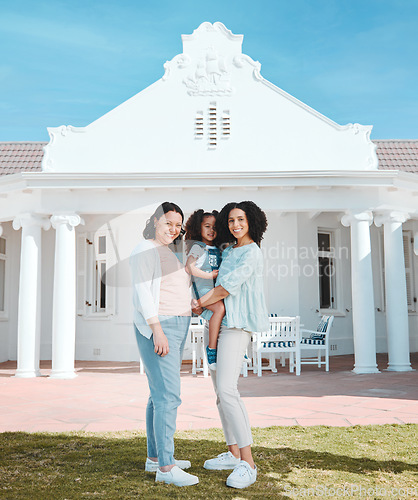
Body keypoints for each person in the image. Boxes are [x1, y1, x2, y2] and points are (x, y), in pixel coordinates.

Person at [192, 201, 269, 490]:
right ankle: (233, 452)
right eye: (232, 220)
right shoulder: (228, 250)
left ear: (252, 222)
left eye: (241, 219)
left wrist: (199, 304)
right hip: (219, 323)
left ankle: (248, 463)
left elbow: (226, 288)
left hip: (237, 326)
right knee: (219, 394)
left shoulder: (252, 253)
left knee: (227, 390)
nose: (236, 224)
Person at [130, 202, 199, 487]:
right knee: (168, 396)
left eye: (177, 225)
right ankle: (167, 468)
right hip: (162, 326)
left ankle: (155, 458)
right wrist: (156, 330)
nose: (173, 229)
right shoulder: (145, 249)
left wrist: (191, 304)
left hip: (177, 323)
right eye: (168, 223)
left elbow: (174, 288)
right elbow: (143, 292)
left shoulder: (166, 251)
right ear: (156, 220)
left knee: (157, 395)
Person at [184, 209, 224, 369]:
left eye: (214, 227)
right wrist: (209, 276)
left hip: (214, 291)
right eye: (207, 226)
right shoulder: (198, 247)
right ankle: (211, 349)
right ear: (198, 228)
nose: (211, 230)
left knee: (226, 308)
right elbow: (189, 267)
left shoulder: (217, 248)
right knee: (220, 308)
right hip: (203, 290)